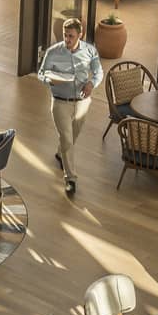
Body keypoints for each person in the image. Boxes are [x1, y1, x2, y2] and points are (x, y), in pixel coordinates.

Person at [36, 18, 103, 196]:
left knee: (72, 136)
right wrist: (49, 80)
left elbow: (99, 72)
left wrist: (92, 84)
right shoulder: (53, 52)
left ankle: (60, 153)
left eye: (71, 36)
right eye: (65, 35)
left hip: (82, 102)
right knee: (66, 138)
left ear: (80, 35)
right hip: (60, 102)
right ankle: (71, 179)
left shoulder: (90, 51)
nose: (67, 39)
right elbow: (41, 73)